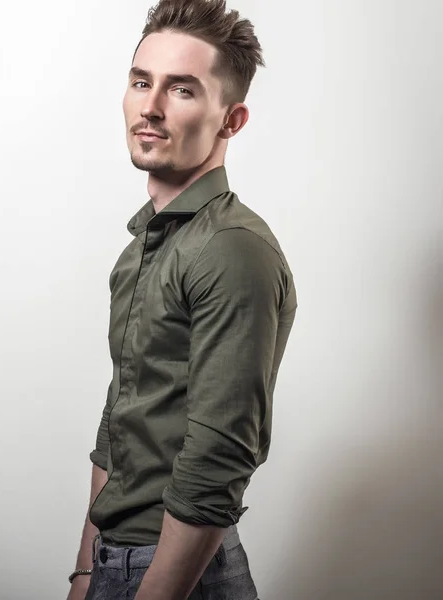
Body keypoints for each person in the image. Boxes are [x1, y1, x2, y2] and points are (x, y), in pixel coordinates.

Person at [67, 1, 297, 599]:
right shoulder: (148, 242)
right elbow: (120, 418)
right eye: (142, 82)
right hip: (115, 564)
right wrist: (86, 572)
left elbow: (219, 455)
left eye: (183, 89)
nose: (151, 105)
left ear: (232, 119)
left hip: (177, 575)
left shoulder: (230, 250)